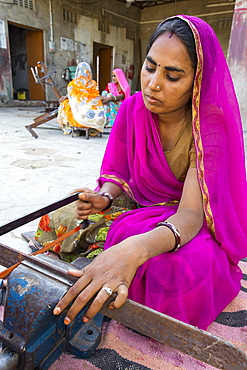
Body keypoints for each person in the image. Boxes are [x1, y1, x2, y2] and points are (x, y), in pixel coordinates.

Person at [38, 15, 247, 331]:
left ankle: (110, 257)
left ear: (197, 80)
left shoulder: (209, 127)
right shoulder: (132, 109)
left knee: (180, 270)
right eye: (150, 68)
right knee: (63, 212)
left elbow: (191, 214)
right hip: (139, 206)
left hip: (183, 221)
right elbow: (116, 174)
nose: (154, 84)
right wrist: (104, 197)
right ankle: (110, 258)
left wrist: (135, 249)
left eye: (173, 76)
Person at [57, 62, 105, 135]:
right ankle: (92, 127)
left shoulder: (73, 84)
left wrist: (66, 97)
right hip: (91, 108)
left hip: (79, 110)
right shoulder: (93, 83)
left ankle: (72, 127)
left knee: (65, 104)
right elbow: (95, 97)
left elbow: (72, 97)